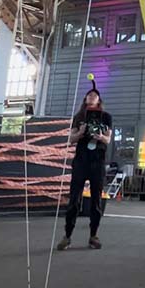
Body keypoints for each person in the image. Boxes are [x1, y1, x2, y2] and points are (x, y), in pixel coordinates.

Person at [57, 82, 112, 250]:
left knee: (96, 200)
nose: (92, 95)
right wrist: (80, 133)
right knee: (74, 200)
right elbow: (70, 139)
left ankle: (93, 235)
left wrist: (100, 137)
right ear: (85, 99)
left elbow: (108, 139)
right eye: (89, 94)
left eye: (95, 94)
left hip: (97, 162)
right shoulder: (79, 116)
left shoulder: (106, 116)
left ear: (99, 99)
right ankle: (67, 235)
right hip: (81, 161)